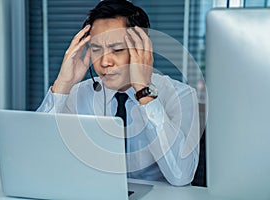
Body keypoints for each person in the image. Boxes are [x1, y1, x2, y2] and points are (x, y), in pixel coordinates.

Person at [37, 0, 200, 186]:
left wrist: (144, 92)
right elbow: (36, 155)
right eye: (96, 50)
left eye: (117, 50)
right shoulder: (78, 93)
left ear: (142, 49)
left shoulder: (181, 95)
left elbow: (181, 176)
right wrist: (62, 84)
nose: (105, 62)